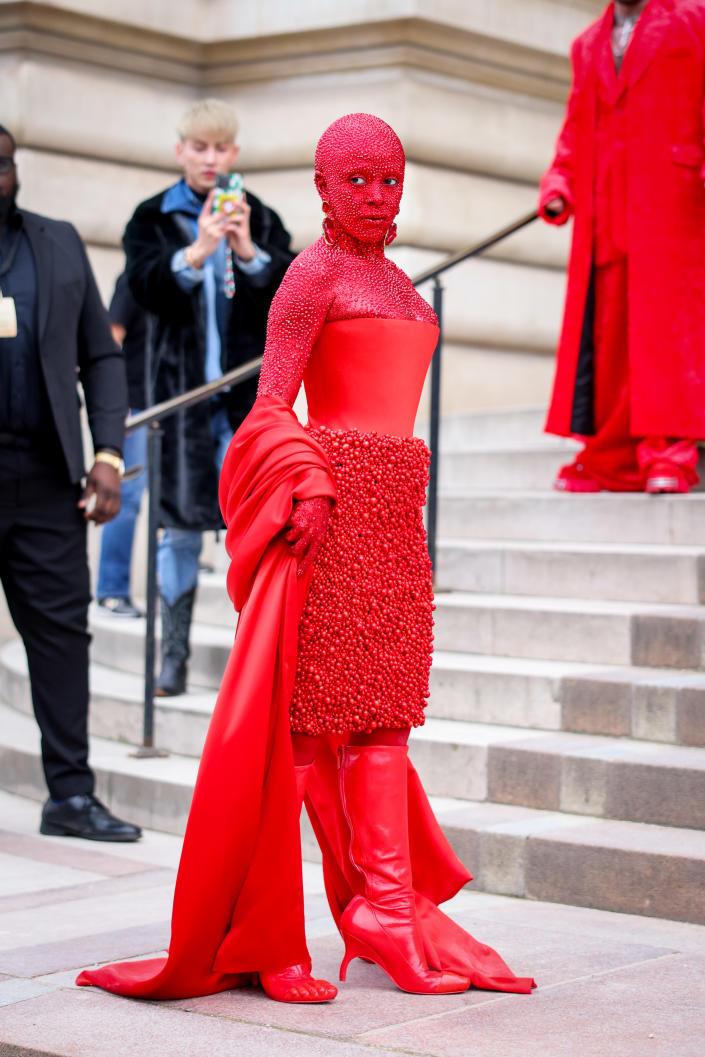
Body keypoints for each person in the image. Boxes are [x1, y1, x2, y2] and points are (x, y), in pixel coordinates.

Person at [77, 114, 534, 1003]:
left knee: (383, 722)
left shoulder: (398, 280)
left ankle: (386, 915)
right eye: (356, 180)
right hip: (327, 527)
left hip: (396, 522)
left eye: (389, 179)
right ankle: (279, 935)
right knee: (302, 735)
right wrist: (304, 479)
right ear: (323, 188)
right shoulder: (309, 275)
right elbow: (267, 409)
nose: (375, 195)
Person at [123, 98, 294, 695]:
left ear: (235, 155)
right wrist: (197, 249)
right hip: (183, 405)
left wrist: (247, 250)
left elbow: (291, 294)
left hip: (247, 404)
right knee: (179, 530)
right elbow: (142, 288)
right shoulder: (151, 217)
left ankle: (263, 661)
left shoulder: (261, 216)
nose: (210, 159)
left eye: (221, 149)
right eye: (199, 147)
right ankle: (173, 657)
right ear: (180, 152)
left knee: (264, 529)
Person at [0, 124, 140, 841]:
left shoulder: (56, 244)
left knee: (61, 638)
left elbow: (101, 356)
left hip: (46, 477)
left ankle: (70, 796)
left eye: (3, 161)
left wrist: (109, 453)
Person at [539, 0, 705, 493]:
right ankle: (611, 457)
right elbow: (574, 129)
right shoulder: (587, 44)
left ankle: (668, 457)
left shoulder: (693, 18)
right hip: (605, 210)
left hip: (674, 205)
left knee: (667, 338)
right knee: (610, 341)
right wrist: (559, 183)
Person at [96, 272, 148, 618]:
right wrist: (116, 407)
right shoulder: (134, 280)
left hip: (168, 404)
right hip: (136, 407)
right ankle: (111, 590)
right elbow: (111, 341)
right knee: (126, 498)